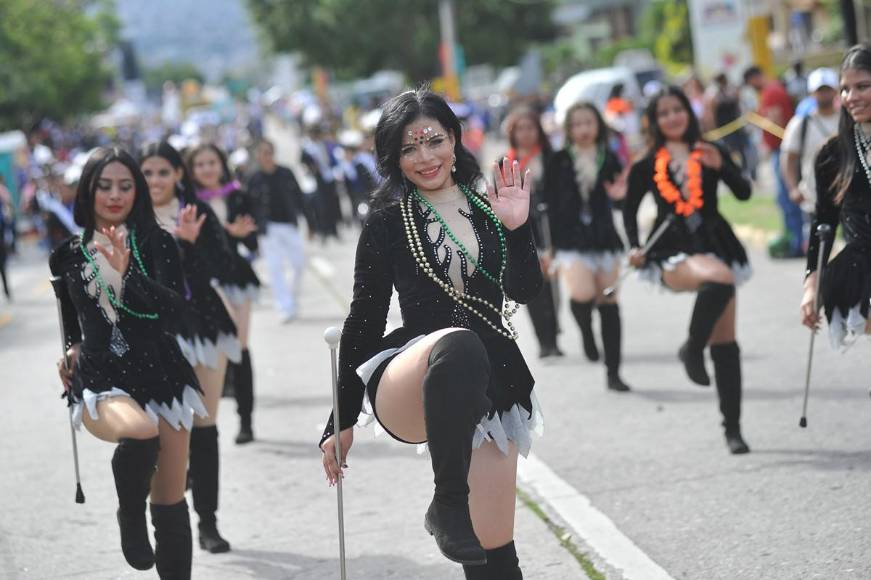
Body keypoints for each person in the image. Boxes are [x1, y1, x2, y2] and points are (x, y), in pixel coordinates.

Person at [319, 88, 543, 579]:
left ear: (455, 140)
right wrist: (341, 417)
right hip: (416, 369)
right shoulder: (386, 222)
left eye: (434, 141)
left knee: (491, 551)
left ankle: (451, 515)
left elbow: (525, 290)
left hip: (493, 378)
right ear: (393, 158)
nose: (425, 158)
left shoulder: (489, 207)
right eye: (409, 148)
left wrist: (517, 229)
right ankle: (448, 501)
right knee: (458, 342)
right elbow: (365, 319)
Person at [50, 147, 207, 578]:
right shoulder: (67, 254)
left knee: (171, 500)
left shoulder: (156, 242)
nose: (115, 195)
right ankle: (129, 513)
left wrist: (128, 275)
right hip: (103, 379)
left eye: (125, 185)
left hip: (162, 375)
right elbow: (71, 321)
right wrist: (71, 349)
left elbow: (175, 315)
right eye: (104, 186)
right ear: (88, 191)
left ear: (137, 191)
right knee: (140, 432)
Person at [624, 86, 753, 454]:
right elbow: (630, 210)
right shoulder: (647, 163)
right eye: (663, 113)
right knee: (720, 279)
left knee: (726, 340)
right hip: (672, 249)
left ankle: (733, 429)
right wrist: (634, 246)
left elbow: (744, 192)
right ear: (654, 121)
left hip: (716, 243)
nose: (672, 118)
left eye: (677, 110)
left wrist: (721, 166)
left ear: (689, 112)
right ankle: (692, 348)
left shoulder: (710, 149)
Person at [140, 141, 244, 555]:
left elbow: (224, 267)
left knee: (204, 425)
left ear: (178, 175)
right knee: (161, 428)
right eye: (147, 173)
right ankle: (167, 507)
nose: (155, 181)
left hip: (203, 326)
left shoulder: (196, 210)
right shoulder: (131, 220)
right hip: (154, 333)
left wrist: (191, 243)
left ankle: (208, 522)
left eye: (163, 172)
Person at [544, 102, 631, 391]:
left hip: (603, 237)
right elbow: (549, 204)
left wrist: (620, 196)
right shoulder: (558, 160)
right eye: (577, 124)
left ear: (598, 126)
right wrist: (550, 247)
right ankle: (586, 332)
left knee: (609, 299)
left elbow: (621, 199)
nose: (583, 129)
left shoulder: (610, 158)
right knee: (582, 295)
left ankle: (614, 372)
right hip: (569, 239)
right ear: (568, 129)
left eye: (588, 123)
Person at [188, 145, 259, 448]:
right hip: (201, 283)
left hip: (236, 279)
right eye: (200, 164)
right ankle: (201, 423)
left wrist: (241, 234)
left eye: (212, 162)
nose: (207, 169)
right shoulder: (186, 203)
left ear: (222, 165)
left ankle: (246, 421)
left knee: (239, 347)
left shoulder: (238, 196)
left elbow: (253, 241)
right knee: (207, 350)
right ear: (190, 169)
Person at [801, 44, 871, 349]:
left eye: (862, 86)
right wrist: (811, 283)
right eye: (845, 89)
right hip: (861, 266)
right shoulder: (832, 155)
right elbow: (824, 222)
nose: (851, 97)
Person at [502, 105, 563, 359]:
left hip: (549, 229)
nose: (525, 133)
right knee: (533, 286)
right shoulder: (506, 163)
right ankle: (543, 342)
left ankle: (554, 337)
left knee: (552, 286)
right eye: (520, 129)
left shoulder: (551, 157)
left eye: (530, 128)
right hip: (522, 232)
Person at [247, 139, 309, 322]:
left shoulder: (286, 173)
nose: (267, 157)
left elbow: (299, 197)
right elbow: (248, 207)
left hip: (289, 225)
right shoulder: (253, 178)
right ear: (258, 156)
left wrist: (310, 223)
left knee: (298, 264)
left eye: (269, 152)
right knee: (275, 268)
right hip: (268, 229)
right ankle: (284, 306)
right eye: (263, 153)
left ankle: (291, 299)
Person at [744, 65, 801, 257]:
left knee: (787, 200)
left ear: (755, 77)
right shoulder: (770, 92)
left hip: (782, 150)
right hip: (780, 150)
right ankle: (793, 239)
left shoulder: (772, 92)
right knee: (784, 200)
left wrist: (759, 120)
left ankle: (796, 243)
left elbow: (776, 121)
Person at [781, 67, 840, 240]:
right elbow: (789, 158)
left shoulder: (847, 119)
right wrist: (793, 188)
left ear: (836, 91)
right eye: (820, 90)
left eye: (827, 89)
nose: (824, 94)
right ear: (811, 93)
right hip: (814, 197)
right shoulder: (800, 123)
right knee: (819, 247)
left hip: (847, 195)